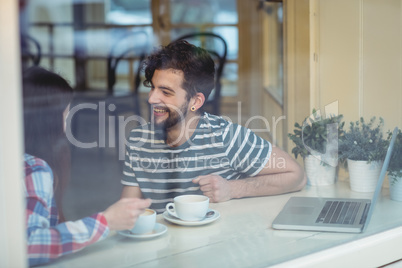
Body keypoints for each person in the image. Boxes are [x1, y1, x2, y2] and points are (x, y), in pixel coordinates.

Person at [121, 40, 306, 213]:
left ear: (196, 100)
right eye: (152, 87)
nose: (151, 98)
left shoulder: (226, 137)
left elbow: (296, 175)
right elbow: (128, 208)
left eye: (165, 92)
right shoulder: (139, 139)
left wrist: (232, 189)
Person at [23, 66, 151, 266]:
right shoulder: (35, 169)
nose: (67, 123)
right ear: (49, 120)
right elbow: (28, 246)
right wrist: (106, 221)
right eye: (65, 113)